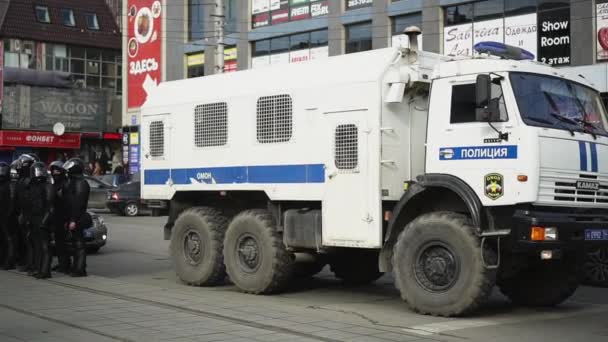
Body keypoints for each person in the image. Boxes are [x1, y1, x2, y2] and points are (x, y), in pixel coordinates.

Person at [23, 162, 55, 278]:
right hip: (34, 219)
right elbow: (29, 204)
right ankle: (38, 268)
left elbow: (51, 207)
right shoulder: (32, 186)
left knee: (45, 246)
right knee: (37, 245)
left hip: (43, 219)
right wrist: (28, 219)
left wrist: (44, 221)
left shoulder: (48, 186)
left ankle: (45, 270)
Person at [12, 154, 40, 273]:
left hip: (28, 214)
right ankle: (27, 262)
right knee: (25, 241)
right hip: (22, 213)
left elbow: (30, 199)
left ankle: (32, 264)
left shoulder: (30, 180)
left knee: (31, 241)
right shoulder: (22, 180)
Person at [62, 158, 90, 277]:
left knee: (79, 243)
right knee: (74, 243)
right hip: (72, 215)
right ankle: (76, 266)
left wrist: (73, 219)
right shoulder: (72, 181)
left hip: (78, 216)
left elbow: (78, 202)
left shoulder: (81, 183)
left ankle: (80, 268)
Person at [49, 161, 70, 273]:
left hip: (63, 216)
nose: (55, 173)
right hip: (56, 216)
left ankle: (65, 264)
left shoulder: (65, 184)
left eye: (57, 170)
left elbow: (67, 202)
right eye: (53, 170)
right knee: (58, 242)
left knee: (63, 242)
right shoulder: (55, 184)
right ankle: (62, 262)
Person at [0, 162, 15, 269]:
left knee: (8, 239)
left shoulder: (10, 184)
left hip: (7, 215)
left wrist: (9, 215)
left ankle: (9, 261)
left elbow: (12, 201)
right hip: (2, 214)